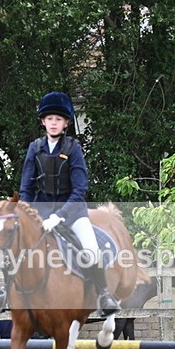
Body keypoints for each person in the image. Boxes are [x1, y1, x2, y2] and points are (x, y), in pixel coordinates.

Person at [17, 91, 120, 316]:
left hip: (72, 212)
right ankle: (4, 291)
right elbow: (26, 189)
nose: (54, 123)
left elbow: (80, 189)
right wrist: (25, 213)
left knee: (91, 250)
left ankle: (104, 294)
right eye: (50, 119)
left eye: (59, 119)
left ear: (65, 124)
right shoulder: (34, 148)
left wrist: (60, 215)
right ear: (43, 121)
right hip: (41, 213)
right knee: (17, 244)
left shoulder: (73, 148)